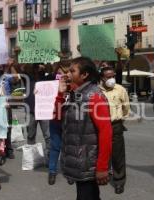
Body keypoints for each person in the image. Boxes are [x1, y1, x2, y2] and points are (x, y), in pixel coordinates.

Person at [56, 57, 113, 200]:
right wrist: (60, 95)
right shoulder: (74, 94)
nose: (67, 74)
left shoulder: (94, 96)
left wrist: (102, 167)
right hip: (79, 162)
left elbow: (106, 132)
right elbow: (56, 118)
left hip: (88, 162)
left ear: (84, 75)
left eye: (72, 71)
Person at [99, 66, 130, 194]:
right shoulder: (97, 90)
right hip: (100, 125)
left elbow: (126, 108)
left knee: (118, 155)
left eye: (113, 76)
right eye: (108, 77)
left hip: (115, 125)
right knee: (101, 152)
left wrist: (120, 120)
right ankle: (103, 175)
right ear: (102, 78)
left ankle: (119, 181)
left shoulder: (120, 90)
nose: (111, 79)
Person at [23, 64, 51, 161]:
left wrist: (47, 67)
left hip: (45, 110)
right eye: (36, 66)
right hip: (30, 111)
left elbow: (55, 72)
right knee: (30, 136)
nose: (38, 67)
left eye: (40, 65)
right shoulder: (27, 77)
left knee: (48, 136)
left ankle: (49, 159)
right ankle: (31, 159)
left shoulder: (48, 77)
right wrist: (17, 56)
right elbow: (19, 69)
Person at [48, 63, 70, 185]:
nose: (62, 76)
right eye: (59, 73)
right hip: (55, 120)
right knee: (55, 146)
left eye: (65, 73)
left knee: (70, 147)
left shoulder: (74, 87)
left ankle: (70, 171)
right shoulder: (51, 87)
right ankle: (52, 171)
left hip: (71, 122)